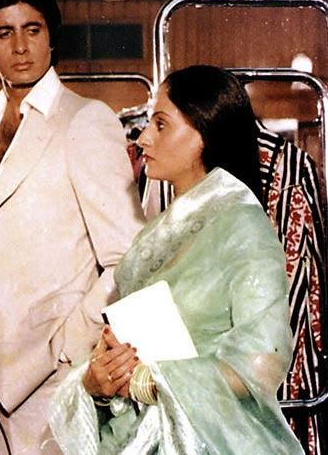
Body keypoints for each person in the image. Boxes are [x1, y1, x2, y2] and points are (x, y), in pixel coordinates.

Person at [48, 65, 305, 454]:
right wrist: (100, 377)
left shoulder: (243, 227)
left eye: (161, 125)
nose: (144, 138)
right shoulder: (155, 234)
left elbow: (262, 362)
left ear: (203, 134)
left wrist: (155, 381)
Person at [0, 0, 145, 454]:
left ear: (51, 36)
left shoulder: (84, 120)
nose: (20, 47)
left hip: (50, 369)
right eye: (4, 33)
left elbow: (127, 259)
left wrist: (69, 346)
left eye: (32, 29)